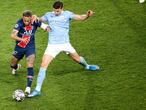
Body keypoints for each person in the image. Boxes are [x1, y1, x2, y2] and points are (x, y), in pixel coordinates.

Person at [28, 1, 99, 97]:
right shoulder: (49, 15)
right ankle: (37, 89)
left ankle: (87, 66)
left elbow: (80, 17)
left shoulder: (67, 14)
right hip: (52, 45)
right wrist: (36, 17)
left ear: (62, 8)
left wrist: (87, 15)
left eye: (57, 11)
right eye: (54, 10)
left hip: (65, 44)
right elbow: (40, 20)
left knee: (76, 59)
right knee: (43, 64)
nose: (56, 12)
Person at [10, 10, 49, 95]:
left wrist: (47, 28)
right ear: (22, 18)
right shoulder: (19, 23)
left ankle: (28, 87)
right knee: (12, 64)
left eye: (28, 20)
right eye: (25, 20)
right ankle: (16, 67)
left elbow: (44, 26)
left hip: (30, 47)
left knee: (30, 64)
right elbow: (12, 35)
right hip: (19, 47)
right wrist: (22, 39)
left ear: (31, 18)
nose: (26, 22)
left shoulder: (34, 21)